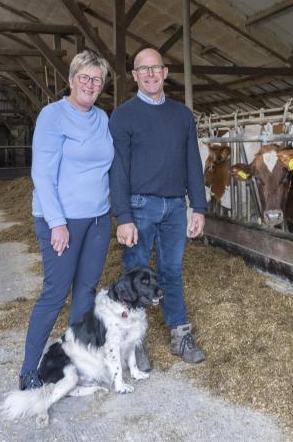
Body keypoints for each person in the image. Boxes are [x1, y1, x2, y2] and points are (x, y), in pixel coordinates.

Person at [18, 50, 114, 390]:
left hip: (98, 219)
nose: (90, 84)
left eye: (97, 80)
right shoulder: (53, 115)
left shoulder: (102, 118)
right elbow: (41, 173)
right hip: (62, 220)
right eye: (84, 77)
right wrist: (57, 222)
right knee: (56, 292)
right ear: (71, 80)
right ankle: (29, 370)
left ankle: (79, 363)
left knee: (86, 292)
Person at [109, 48, 207, 366]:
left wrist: (200, 208)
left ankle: (180, 333)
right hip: (140, 206)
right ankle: (134, 341)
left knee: (172, 271)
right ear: (134, 76)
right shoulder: (123, 116)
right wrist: (123, 217)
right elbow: (118, 170)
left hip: (176, 207)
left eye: (156, 68)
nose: (150, 74)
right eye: (143, 69)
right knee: (135, 272)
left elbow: (193, 163)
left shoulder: (182, 115)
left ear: (165, 73)